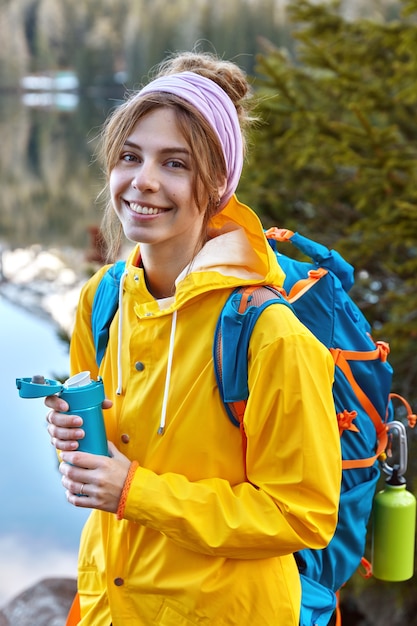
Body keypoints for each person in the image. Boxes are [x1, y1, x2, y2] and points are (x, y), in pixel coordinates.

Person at [45, 51, 341, 626]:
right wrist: (77, 436)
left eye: (175, 164)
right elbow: (113, 457)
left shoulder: (268, 334)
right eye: (129, 156)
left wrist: (136, 492)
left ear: (217, 185)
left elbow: (302, 515)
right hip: (109, 604)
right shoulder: (103, 300)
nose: (144, 181)